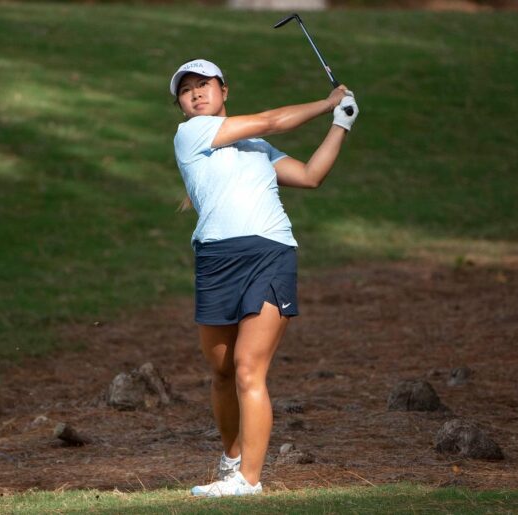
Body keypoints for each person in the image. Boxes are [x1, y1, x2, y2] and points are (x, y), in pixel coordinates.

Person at [170, 58, 358, 497]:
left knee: (247, 368)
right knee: (220, 373)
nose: (197, 93)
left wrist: (341, 123)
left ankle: (248, 481)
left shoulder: (256, 147)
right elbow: (275, 119)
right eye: (187, 90)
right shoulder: (191, 134)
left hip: (269, 253)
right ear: (181, 105)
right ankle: (232, 461)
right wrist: (327, 101)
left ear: (224, 90)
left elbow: (310, 176)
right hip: (216, 258)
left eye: (205, 85)